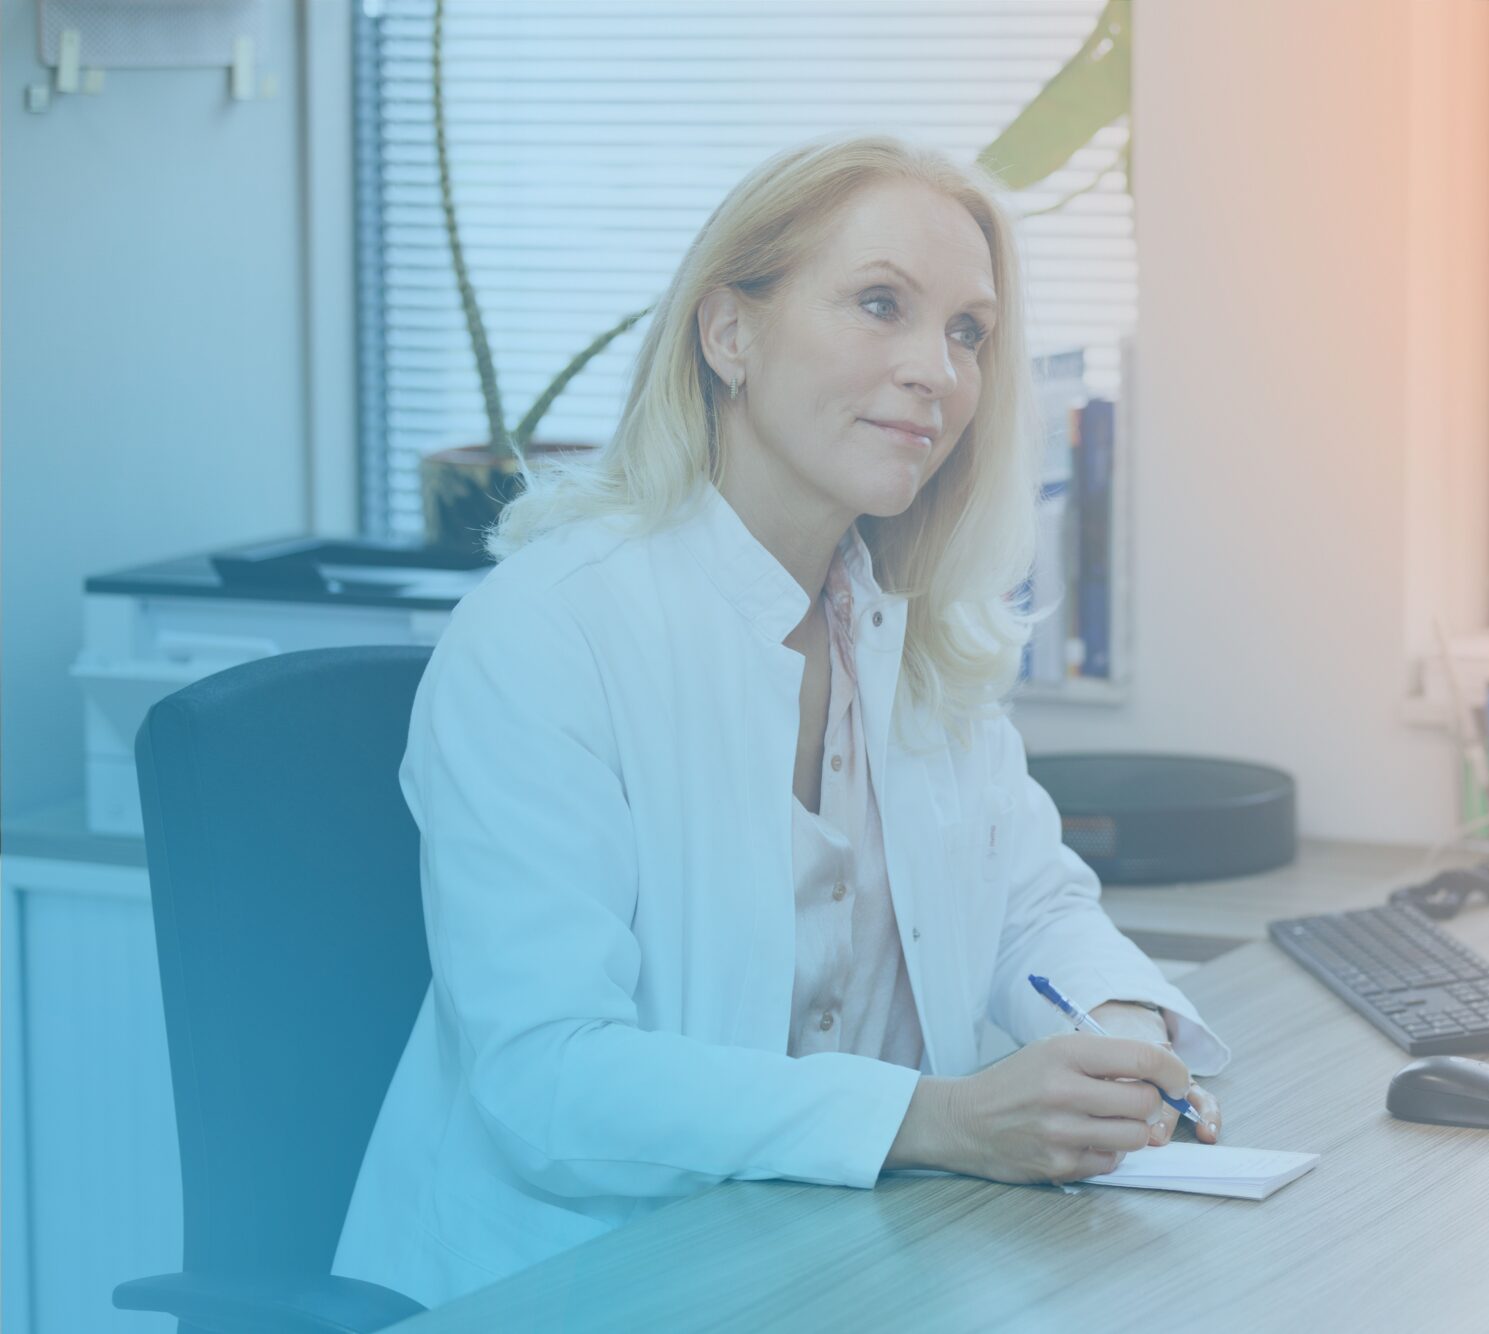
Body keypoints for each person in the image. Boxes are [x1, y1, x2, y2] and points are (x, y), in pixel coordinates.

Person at [332, 133, 1229, 1310]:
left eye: (966, 331)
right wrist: (939, 1117)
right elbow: (547, 1077)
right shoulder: (551, 628)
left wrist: (1112, 1030)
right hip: (567, 1280)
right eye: (878, 304)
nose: (938, 371)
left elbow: (1030, 900)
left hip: (830, 1261)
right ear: (728, 334)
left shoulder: (905, 625)